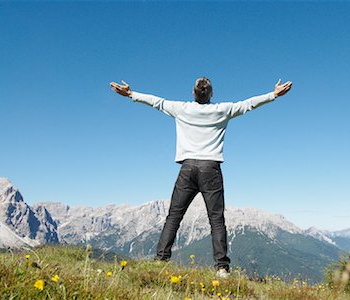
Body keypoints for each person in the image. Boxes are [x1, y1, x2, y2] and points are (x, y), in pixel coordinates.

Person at [110, 77, 292, 278]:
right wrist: (273, 95)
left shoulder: (181, 109)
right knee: (216, 219)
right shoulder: (222, 110)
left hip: (187, 169)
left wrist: (131, 94)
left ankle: (161, 259)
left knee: (174, 216)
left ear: (193, 93)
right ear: (211, 94)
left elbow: (156, 101)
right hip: (211, 169)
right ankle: (222, 267)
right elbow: (248, 104)